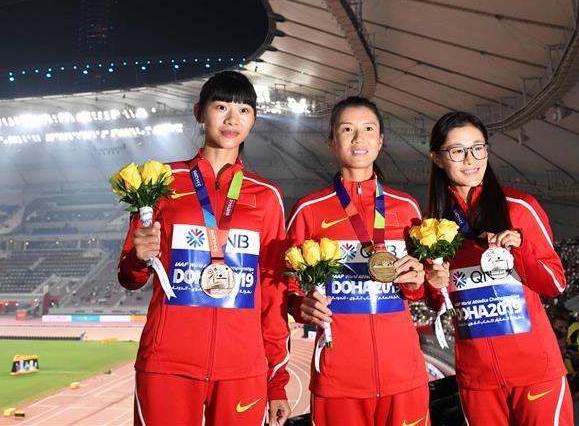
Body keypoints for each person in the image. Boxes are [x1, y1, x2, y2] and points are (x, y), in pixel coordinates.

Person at [118, 71, 291, 426]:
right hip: (168, 363)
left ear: (253, 120)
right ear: (199, 112)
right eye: (221, 107)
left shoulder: (266, 197)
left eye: (244, 110)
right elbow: (129, 277)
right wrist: (137, 257)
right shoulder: (160, 183)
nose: (232, 119)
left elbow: (272, 295)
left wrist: (276, 381)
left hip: (242, 368)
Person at [286, 96, 430, 426]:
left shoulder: (407, 208)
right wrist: (299, 305)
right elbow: (284, 286)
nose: (358, 138)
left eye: (368, 129)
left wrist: (417, 282)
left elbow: (417, 291)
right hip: (339, 378)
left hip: (403, 374)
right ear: (331, 141)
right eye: (347, 129)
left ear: (380, 141)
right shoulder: (309, 210)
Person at [422, 111, 572, 426]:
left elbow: (555, 284)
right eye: (457, 151)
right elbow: (438, 302)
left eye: (478, 148)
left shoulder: (520, 208)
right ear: (437, 158)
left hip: (535, 371)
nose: (470, 159)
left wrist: (521, 251)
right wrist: (434, 283)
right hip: (478, 381)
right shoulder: (432, 229)